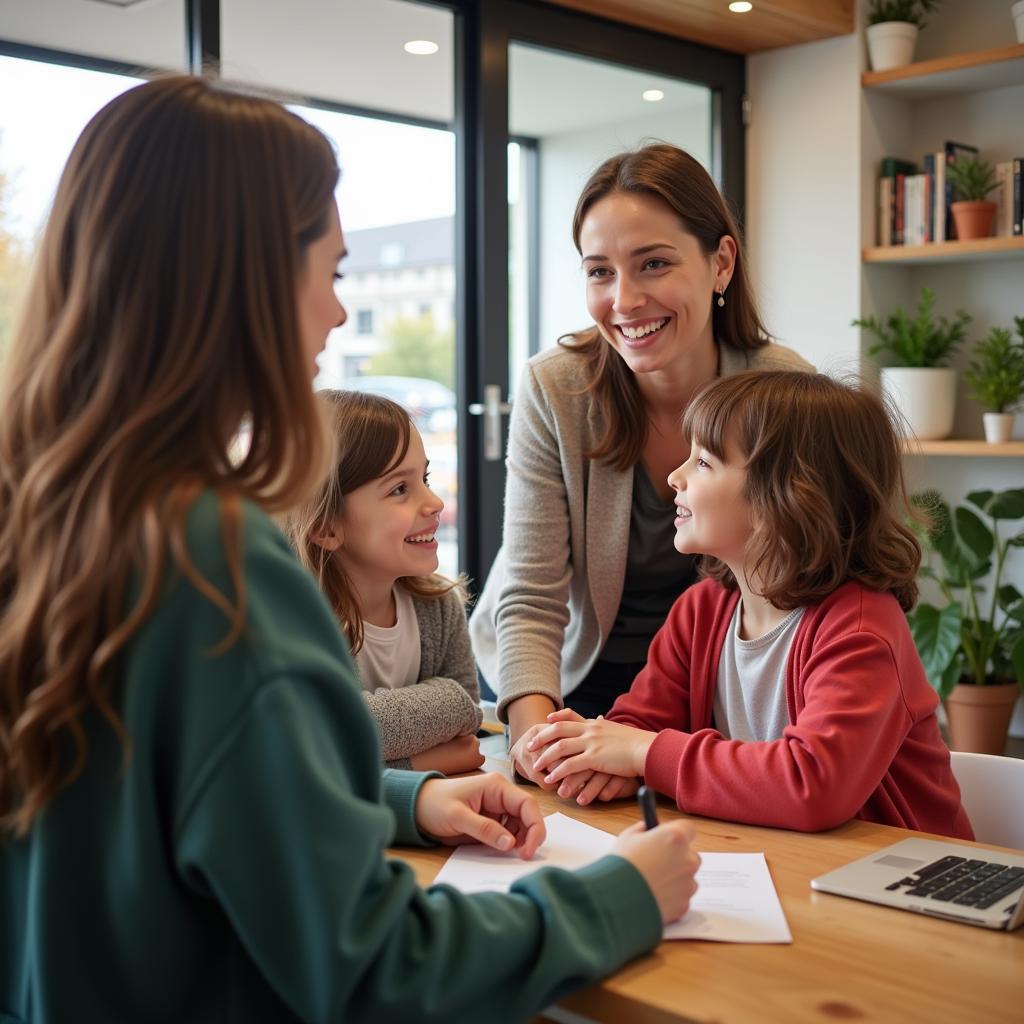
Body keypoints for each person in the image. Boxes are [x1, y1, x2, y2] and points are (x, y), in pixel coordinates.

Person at [0, 76, 702, 1023]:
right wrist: (619, 898)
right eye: (330, 274)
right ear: (242, 280)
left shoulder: (45, 518)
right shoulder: (221, 571)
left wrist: (401, 803)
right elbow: (372, 965)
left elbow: (185, 820)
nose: (338, 316)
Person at [469, 143, 813, 789]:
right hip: (566, 683)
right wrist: (539, 743)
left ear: (720, 263)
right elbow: (531, 596)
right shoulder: (557, 388)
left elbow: (811, 583)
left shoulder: (783, 392)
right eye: (599, 272)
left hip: (711, 695)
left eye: (653, 264)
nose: (624, 300)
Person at [526, 371, 973, 839]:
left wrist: (640, 754)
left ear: (785, 496)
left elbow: (811, 785)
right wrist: (597, 759)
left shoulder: (860, 629)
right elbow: (639, 723)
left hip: (908, 885)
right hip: (789, 860)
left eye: (703, 462)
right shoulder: (701, 611)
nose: (674, 476)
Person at [282, 389, 484, 774]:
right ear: (326, 527)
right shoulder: (296, 619)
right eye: (399, 489)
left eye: (423, 478)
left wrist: (452, 704)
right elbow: (309, 748)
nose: (435, 502)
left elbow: (467, 714)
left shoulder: (438, 606)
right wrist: (420, 760)